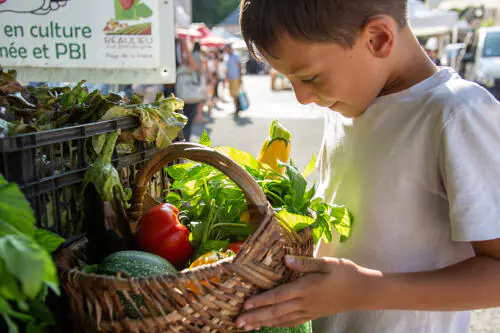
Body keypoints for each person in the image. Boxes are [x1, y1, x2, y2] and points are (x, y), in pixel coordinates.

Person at [236, 1, 500, 333]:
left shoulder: (456, 114)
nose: (301, 97)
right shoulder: (346, 106)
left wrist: (364, 290)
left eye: (310, 77)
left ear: (377, 38)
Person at [224, 43, 243, 115]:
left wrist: (241, 77)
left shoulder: (236, 55)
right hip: (230, 78)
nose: (226, 50)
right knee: (232, 94)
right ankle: (237, 108)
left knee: (235, 94)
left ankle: (237, 109)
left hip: (236, 77)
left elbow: (240, 66)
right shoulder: (227, 56)